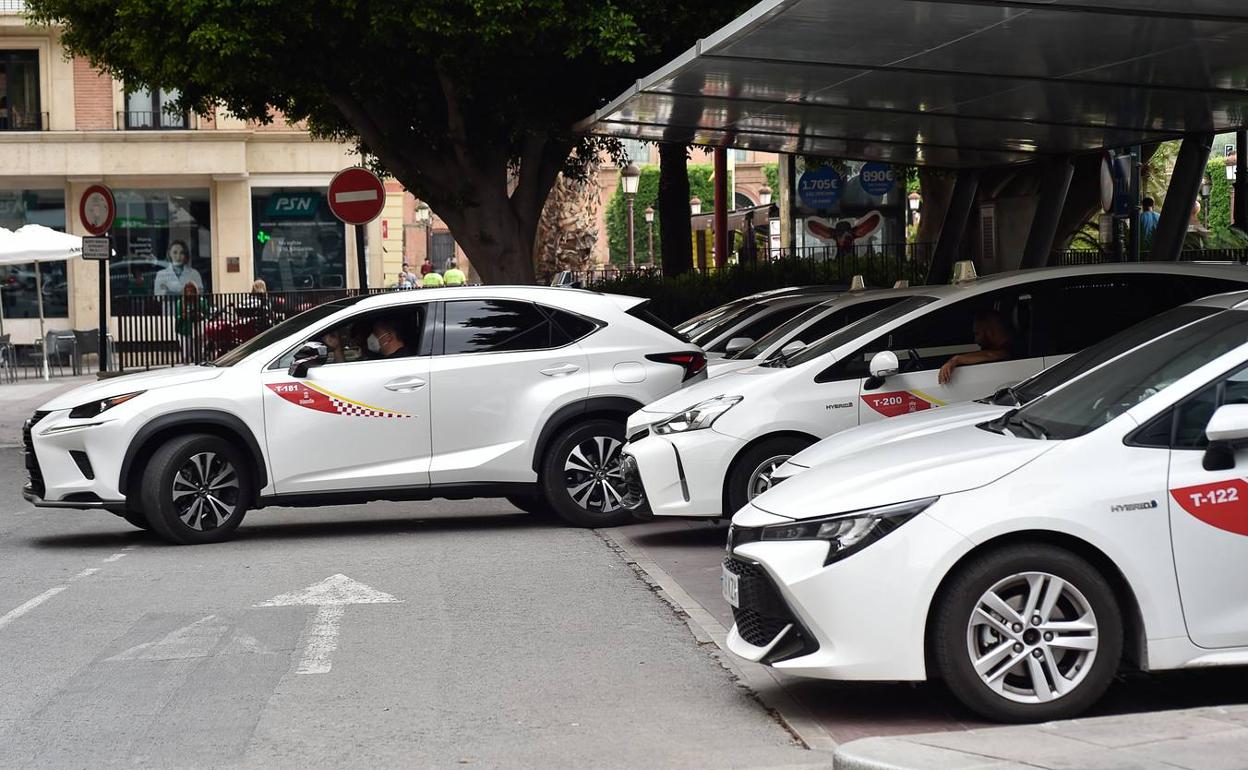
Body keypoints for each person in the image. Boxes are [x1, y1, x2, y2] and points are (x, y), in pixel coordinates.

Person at [938, 309, 1013, 385]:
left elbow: (992, 355)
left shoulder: (1014, 347)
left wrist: (956, 360)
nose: (976, 340)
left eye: (977, 334)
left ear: (989, 332)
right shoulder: (992, 348)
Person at [175, 282, 209, 363]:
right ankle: (186, 365)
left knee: (198, 351)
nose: (190, 293)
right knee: (186, 353)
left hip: (198, 328)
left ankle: (198, 363)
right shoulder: (181, 302)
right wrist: (184, 316)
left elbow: (207, 314)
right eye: (188, 291)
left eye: (192, 291)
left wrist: (201, 315)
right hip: (185, 329)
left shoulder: (201, 301)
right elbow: (178, 316)